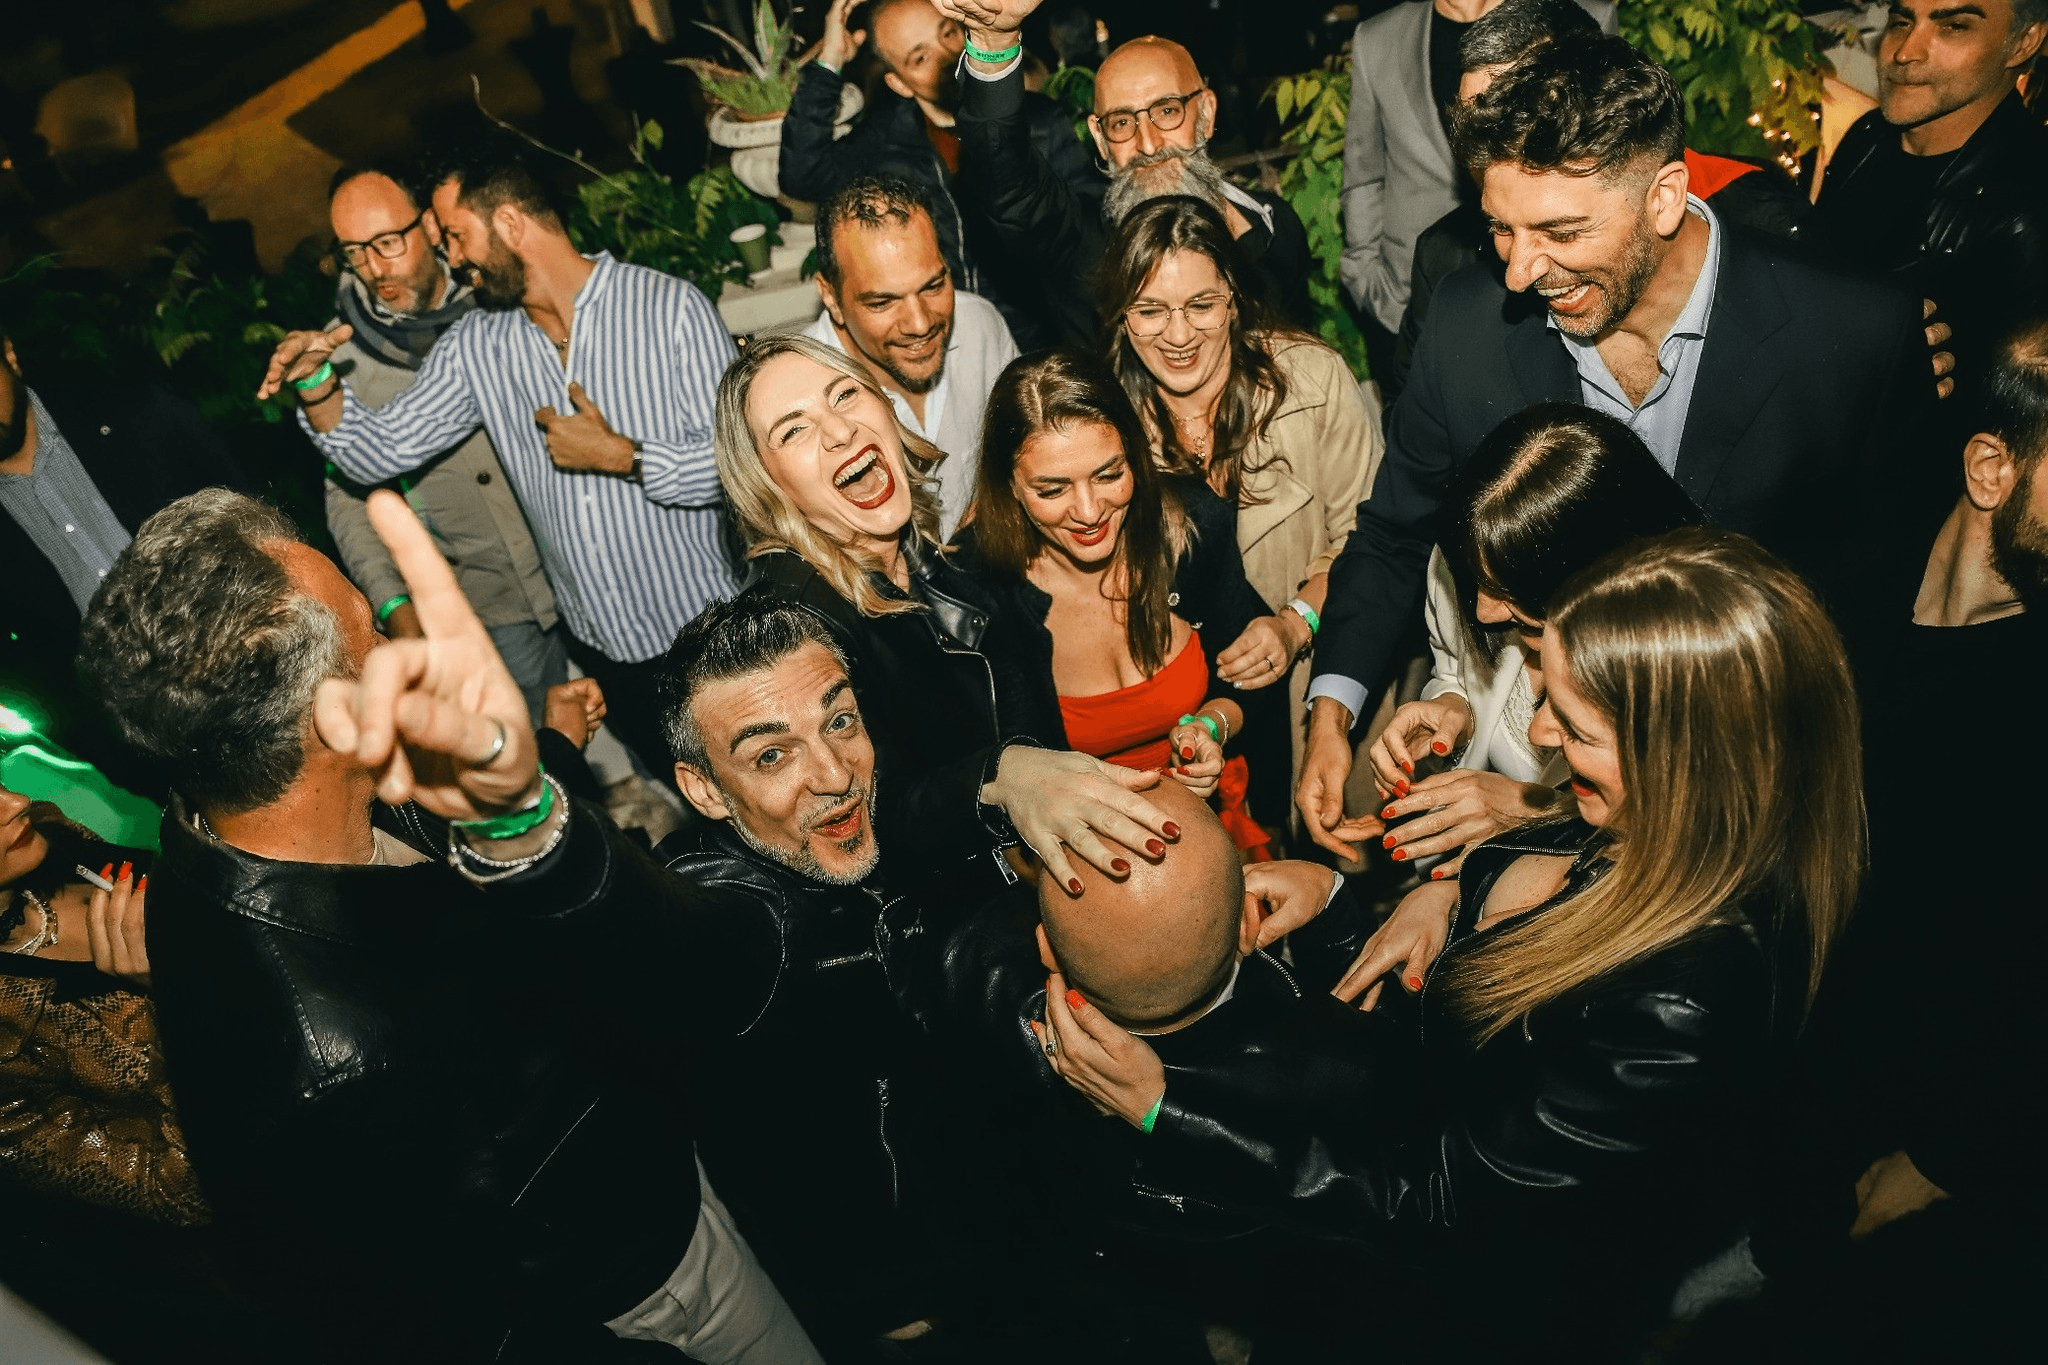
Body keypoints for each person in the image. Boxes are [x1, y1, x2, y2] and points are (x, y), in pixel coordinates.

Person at [1053, 528, 1865, 1359]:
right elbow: (1450, 1043)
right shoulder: (1627, 819)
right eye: (1546, 693)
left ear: (1685, 756)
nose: (1539, 735)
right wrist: (1342, 901)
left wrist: (1169, 1112)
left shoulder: (1679, 1003)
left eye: (1576, 727)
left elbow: (1439, 1208)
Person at [77, 489, 816, 1362]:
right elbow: (456, 1323)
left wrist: (533, 788)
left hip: (656, 1147)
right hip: (646, 1277)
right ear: (334, 720)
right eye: (371, 631)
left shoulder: (234, 812)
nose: (401, 653)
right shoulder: (336, 1063)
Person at [1299, 35, 1939, 858]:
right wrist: (1332, 713)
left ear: (1665, 198)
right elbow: (1394, 531)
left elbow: (1871, 634)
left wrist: (1560, 812)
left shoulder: (1854, 334)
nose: (1521, 273)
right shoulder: (1464, 326)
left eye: (1561, 231)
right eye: (1501, 230)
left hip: (1773, 817)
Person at [258, 133, 738, 773]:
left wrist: (628, 458)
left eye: (457, 236)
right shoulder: (479, 345)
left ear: (509, 224)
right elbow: (378, 453)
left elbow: (744, 471)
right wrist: (319, 384)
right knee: (686, 794)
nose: (453, 259)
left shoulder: (671, 310)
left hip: (717, 633)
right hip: (607, 655)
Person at [921, 783, 1386, 1353]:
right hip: (1262, 1263)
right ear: (1250, 922)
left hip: (1112, 1266)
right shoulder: (1328, 1064)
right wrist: (1333, 902)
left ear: (1045, 949)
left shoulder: (976, 988)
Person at [711, 333, 1179, 897]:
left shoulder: (929, 557)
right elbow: (855, 818)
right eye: (793, 430)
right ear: (764, 480)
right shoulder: (791, 628)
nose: (839, 432)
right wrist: (999, 778)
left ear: (885, 406)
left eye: (845, 395)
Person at [650, 595, 982, 1360]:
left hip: (974, 1235)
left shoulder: (831, 837)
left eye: (839, 720)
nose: (835, 775)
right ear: (705, 790)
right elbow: (678, 936)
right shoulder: (739, 918)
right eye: (772, 755)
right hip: (905, 1307)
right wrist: (537, 837)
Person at [1100, 196, 1384, 819]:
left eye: (1201, 305)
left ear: (1233, 297)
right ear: (1122, 316)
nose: (1179, 336)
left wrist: (1296, 624)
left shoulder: (1311, 381)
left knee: (1332, 852)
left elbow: (1372, 541)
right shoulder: (1103, 423)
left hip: (1314, 695)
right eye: (1150, 310)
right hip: (1185, 730)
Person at [1389, 0, 1812, 399]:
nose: (1496, 142)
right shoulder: (1447, 260)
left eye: (1526, 110)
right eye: (1477, 123)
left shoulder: (1758, 220)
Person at [956, 350, 1280, 853]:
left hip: (1213, 835)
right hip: (1074, 867)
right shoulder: (973, 593)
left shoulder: (1190, 529)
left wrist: (1211, 726)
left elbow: (1246, 674)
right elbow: (971, 773)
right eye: (1052, 489)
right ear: (1010, 486)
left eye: (1109, 475)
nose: (1089, 512)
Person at [1366, 404, 1700, 876]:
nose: (1483, 613)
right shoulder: (1467, 561)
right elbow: (1455, 669)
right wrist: (1456, 710)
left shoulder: (1687, 653)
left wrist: (1536, 814)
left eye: (1509, 592)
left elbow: (1692, 833)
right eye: (1476, 584)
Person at [318, 161, 566, 719]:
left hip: (577, 570)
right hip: (485, 608)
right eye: (353, 252)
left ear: (430, 226)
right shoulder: (338, 360)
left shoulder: (502, 296)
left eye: (387, 243)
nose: (373, 268)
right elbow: (349, 501)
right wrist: (397, 609)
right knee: (538, 751)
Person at [939, 0, 1316, 341]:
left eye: (1167, 111)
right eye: (1121, 123)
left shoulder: (1273, 226)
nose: (1148, 145)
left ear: (1206, 112)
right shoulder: (1078, 242)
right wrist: (994, 42)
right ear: (1100, 139)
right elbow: (1006, 178)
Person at [0, 315, 248, 792]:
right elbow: (36, 681)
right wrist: (131, 762)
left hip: (268, 669)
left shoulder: (130, 410)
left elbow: (253, 515)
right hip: (172, 760)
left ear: (9, 355)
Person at [779, 0, 1104, 348]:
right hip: (943, 347)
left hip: (1039, 345)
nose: (947, 56)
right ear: (899, 83)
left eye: (948, 34)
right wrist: (829, 62)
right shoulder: (883, 140)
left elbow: (1088, 240)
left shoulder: (1039, 121)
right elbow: (803, 175)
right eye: (920, 57)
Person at [1342, 0, 1617, 380]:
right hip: (1405, 298)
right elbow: (1363, 174)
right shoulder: (1378, 37)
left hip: (1550, 278)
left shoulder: (1577, 16)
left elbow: (1614, 149)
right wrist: (1366, 279)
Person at [1814, 0, 2047, 409]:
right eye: (1901, 21)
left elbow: (2016, 420)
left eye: (1954, 26)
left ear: (2023, 42)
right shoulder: (1868, 136)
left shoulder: (2029, 212)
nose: (1905, 52)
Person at [805, 172, 1019, 536]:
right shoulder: (796, 396)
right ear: (831, 297)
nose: (920, 324)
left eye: (933, 286)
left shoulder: (980, 326)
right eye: (882, 302)